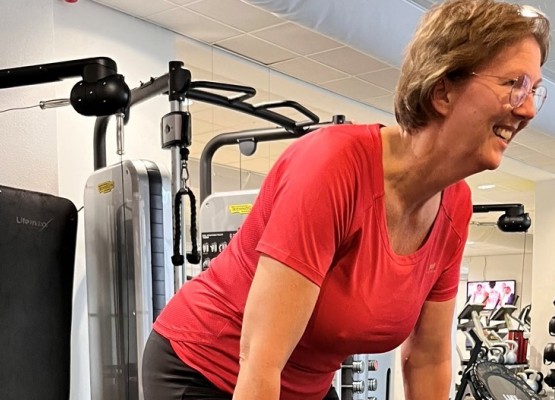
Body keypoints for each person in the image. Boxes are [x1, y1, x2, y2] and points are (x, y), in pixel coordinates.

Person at [142, 1, 550, 399]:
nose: (529, 109)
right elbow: (260, 362)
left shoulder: (455, 204)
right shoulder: (331, 167)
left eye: (535, 90)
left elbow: (428, 359)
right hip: (206, 369)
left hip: (305, 383)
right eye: (514, 85)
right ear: (442, 91)